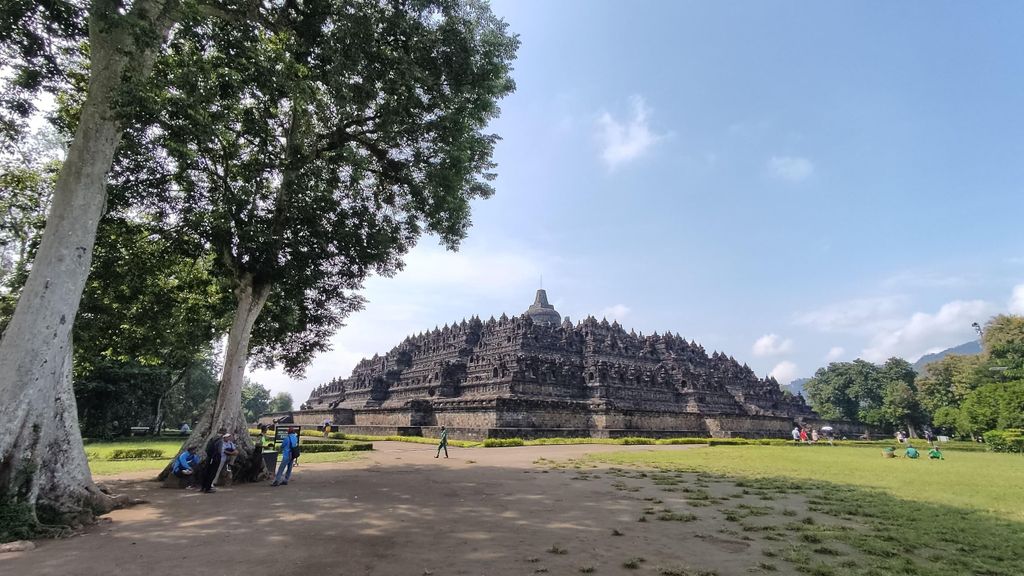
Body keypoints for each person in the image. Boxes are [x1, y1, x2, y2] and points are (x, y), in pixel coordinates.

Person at [201, 428, 226, 493]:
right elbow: (219, 450)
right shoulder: (220, 440)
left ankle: (203, 487)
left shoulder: (212, 438)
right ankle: (208, 488)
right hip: (215, 458)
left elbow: (207, 448)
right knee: (212, 473)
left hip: (209, 457)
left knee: (207, 471)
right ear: (224, 433)